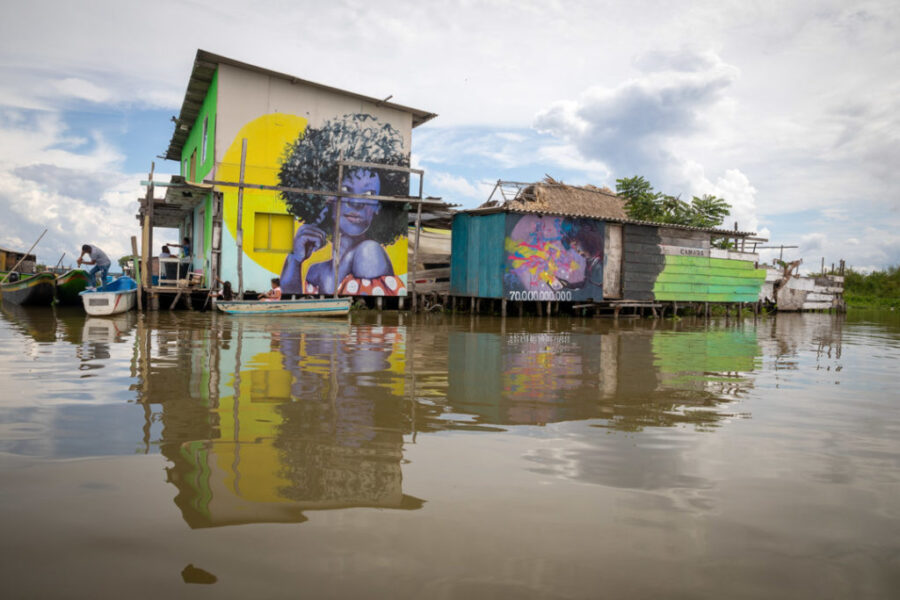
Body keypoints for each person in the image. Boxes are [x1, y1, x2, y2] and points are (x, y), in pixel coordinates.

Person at [279, 113, 408, 297]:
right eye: (346, 189)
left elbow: (361, 321)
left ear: (379, 206)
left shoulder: (369, 253)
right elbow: (291, 308)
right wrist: (295, 260)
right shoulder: (315, 271)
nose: (356, 203)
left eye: (369, 194)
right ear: (325, 197)